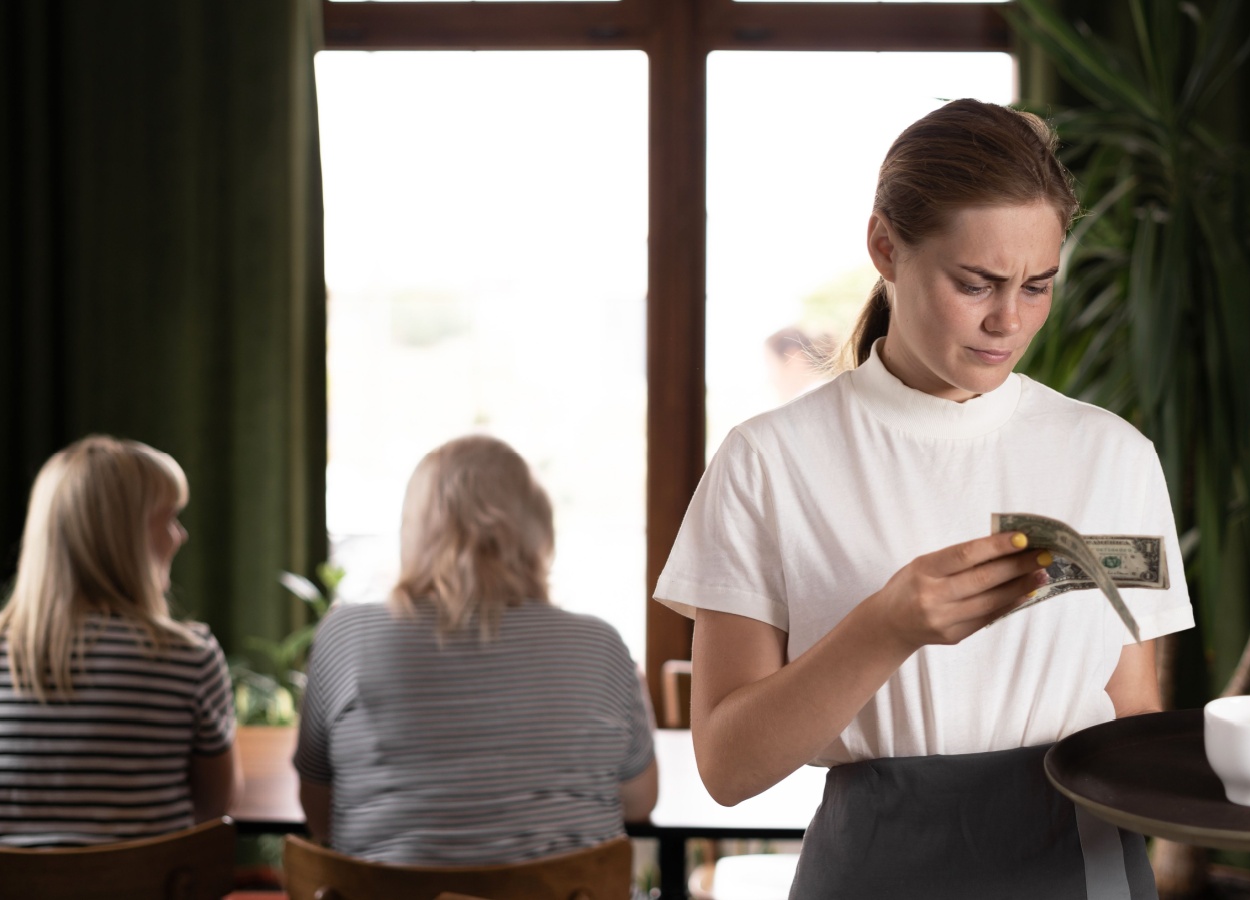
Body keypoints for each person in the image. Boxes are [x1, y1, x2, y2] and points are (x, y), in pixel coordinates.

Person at [655, 98, 1194, 898]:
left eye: (1037, 285)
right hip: (877, 872)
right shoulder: (769, 462)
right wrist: (885, 629)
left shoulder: (1112, 455)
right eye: (975, 282)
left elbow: (1134, 711)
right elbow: (726, 769)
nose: (1008, 321)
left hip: (1084, 870)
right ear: (885, 246)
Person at [293, 435, 657, 867]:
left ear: (414, 529)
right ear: (537, 528)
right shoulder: (600, 644)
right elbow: (640, 801)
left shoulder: (346, 635)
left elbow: (319, 814)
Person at [0, 435, 239, 847]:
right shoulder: (188, 656)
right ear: (127, 539)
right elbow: (213, 808)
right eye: (168, 518)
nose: (180, 536)